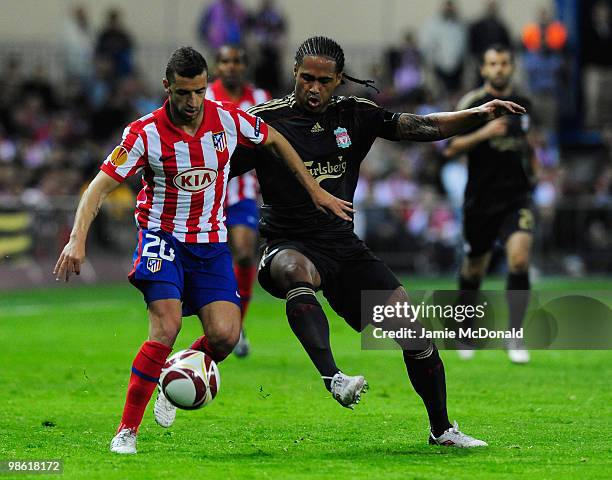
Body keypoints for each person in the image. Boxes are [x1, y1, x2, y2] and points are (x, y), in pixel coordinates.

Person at [220, 36, 523, 447]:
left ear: (338, 80)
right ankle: (334, 376)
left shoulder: (356, 114)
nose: (313, 88)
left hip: (344, 247)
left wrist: (479, 113)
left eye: (324, 81)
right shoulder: (264, 122)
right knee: (295, 271)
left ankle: (442, 429)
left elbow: (424, 126)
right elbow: (216, 166)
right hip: (287, 241)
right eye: (306, 78)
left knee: (414, 333)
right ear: (294, 73)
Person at [53, 46, 353, 455]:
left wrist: (313, 188)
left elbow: (276, 140)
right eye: (183, 93)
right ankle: (127, 430)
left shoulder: (226, 118)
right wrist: (77, 239)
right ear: (167, 88)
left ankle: (171, 375)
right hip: (162, 237)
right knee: (167, 327)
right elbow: (98, 188)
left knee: (226, 337)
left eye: (198, 92)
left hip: (210, 243)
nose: (192, 102)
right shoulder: (144, 133)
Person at [444, 44, 537, 364]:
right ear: (484, 69)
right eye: (492, 63)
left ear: (511, 67)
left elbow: (528, 143)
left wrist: (535, 170)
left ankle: (514, 335)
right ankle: (464, 329)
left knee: (520, 260)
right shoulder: (472, 103)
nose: (498, 68)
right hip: (480, 200)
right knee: (474, 268)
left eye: (504, 63)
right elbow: (450, 148)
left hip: (517, 196)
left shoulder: (525, 104)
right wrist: (485, 132)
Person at [205, 45, 272, 357]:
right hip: (205, 189)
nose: (231, 66)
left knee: (245, 253)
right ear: (217, 66)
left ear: (244, 66)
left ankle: (237, 326)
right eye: (225, 61)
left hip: (243, 189)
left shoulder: (259, 99)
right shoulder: (202, 95)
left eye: (236, 61)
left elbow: (272, 140)